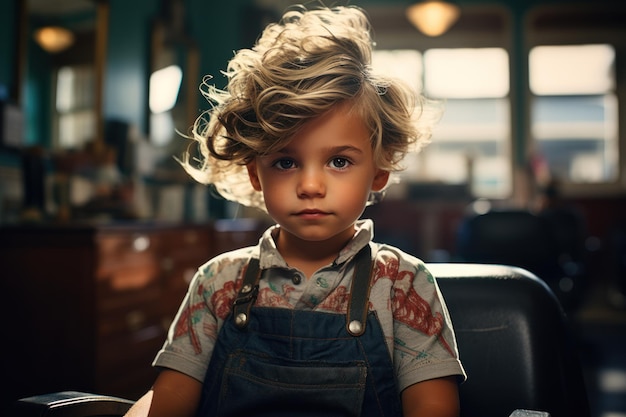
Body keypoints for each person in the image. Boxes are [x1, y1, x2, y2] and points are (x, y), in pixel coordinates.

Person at [125, 4, 465, 417]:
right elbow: (168, 402)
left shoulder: (403, 285)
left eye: (339, 161)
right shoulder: (218, 282)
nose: (309, 186)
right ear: (256, 174)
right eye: (285, 162)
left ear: (378, 172)